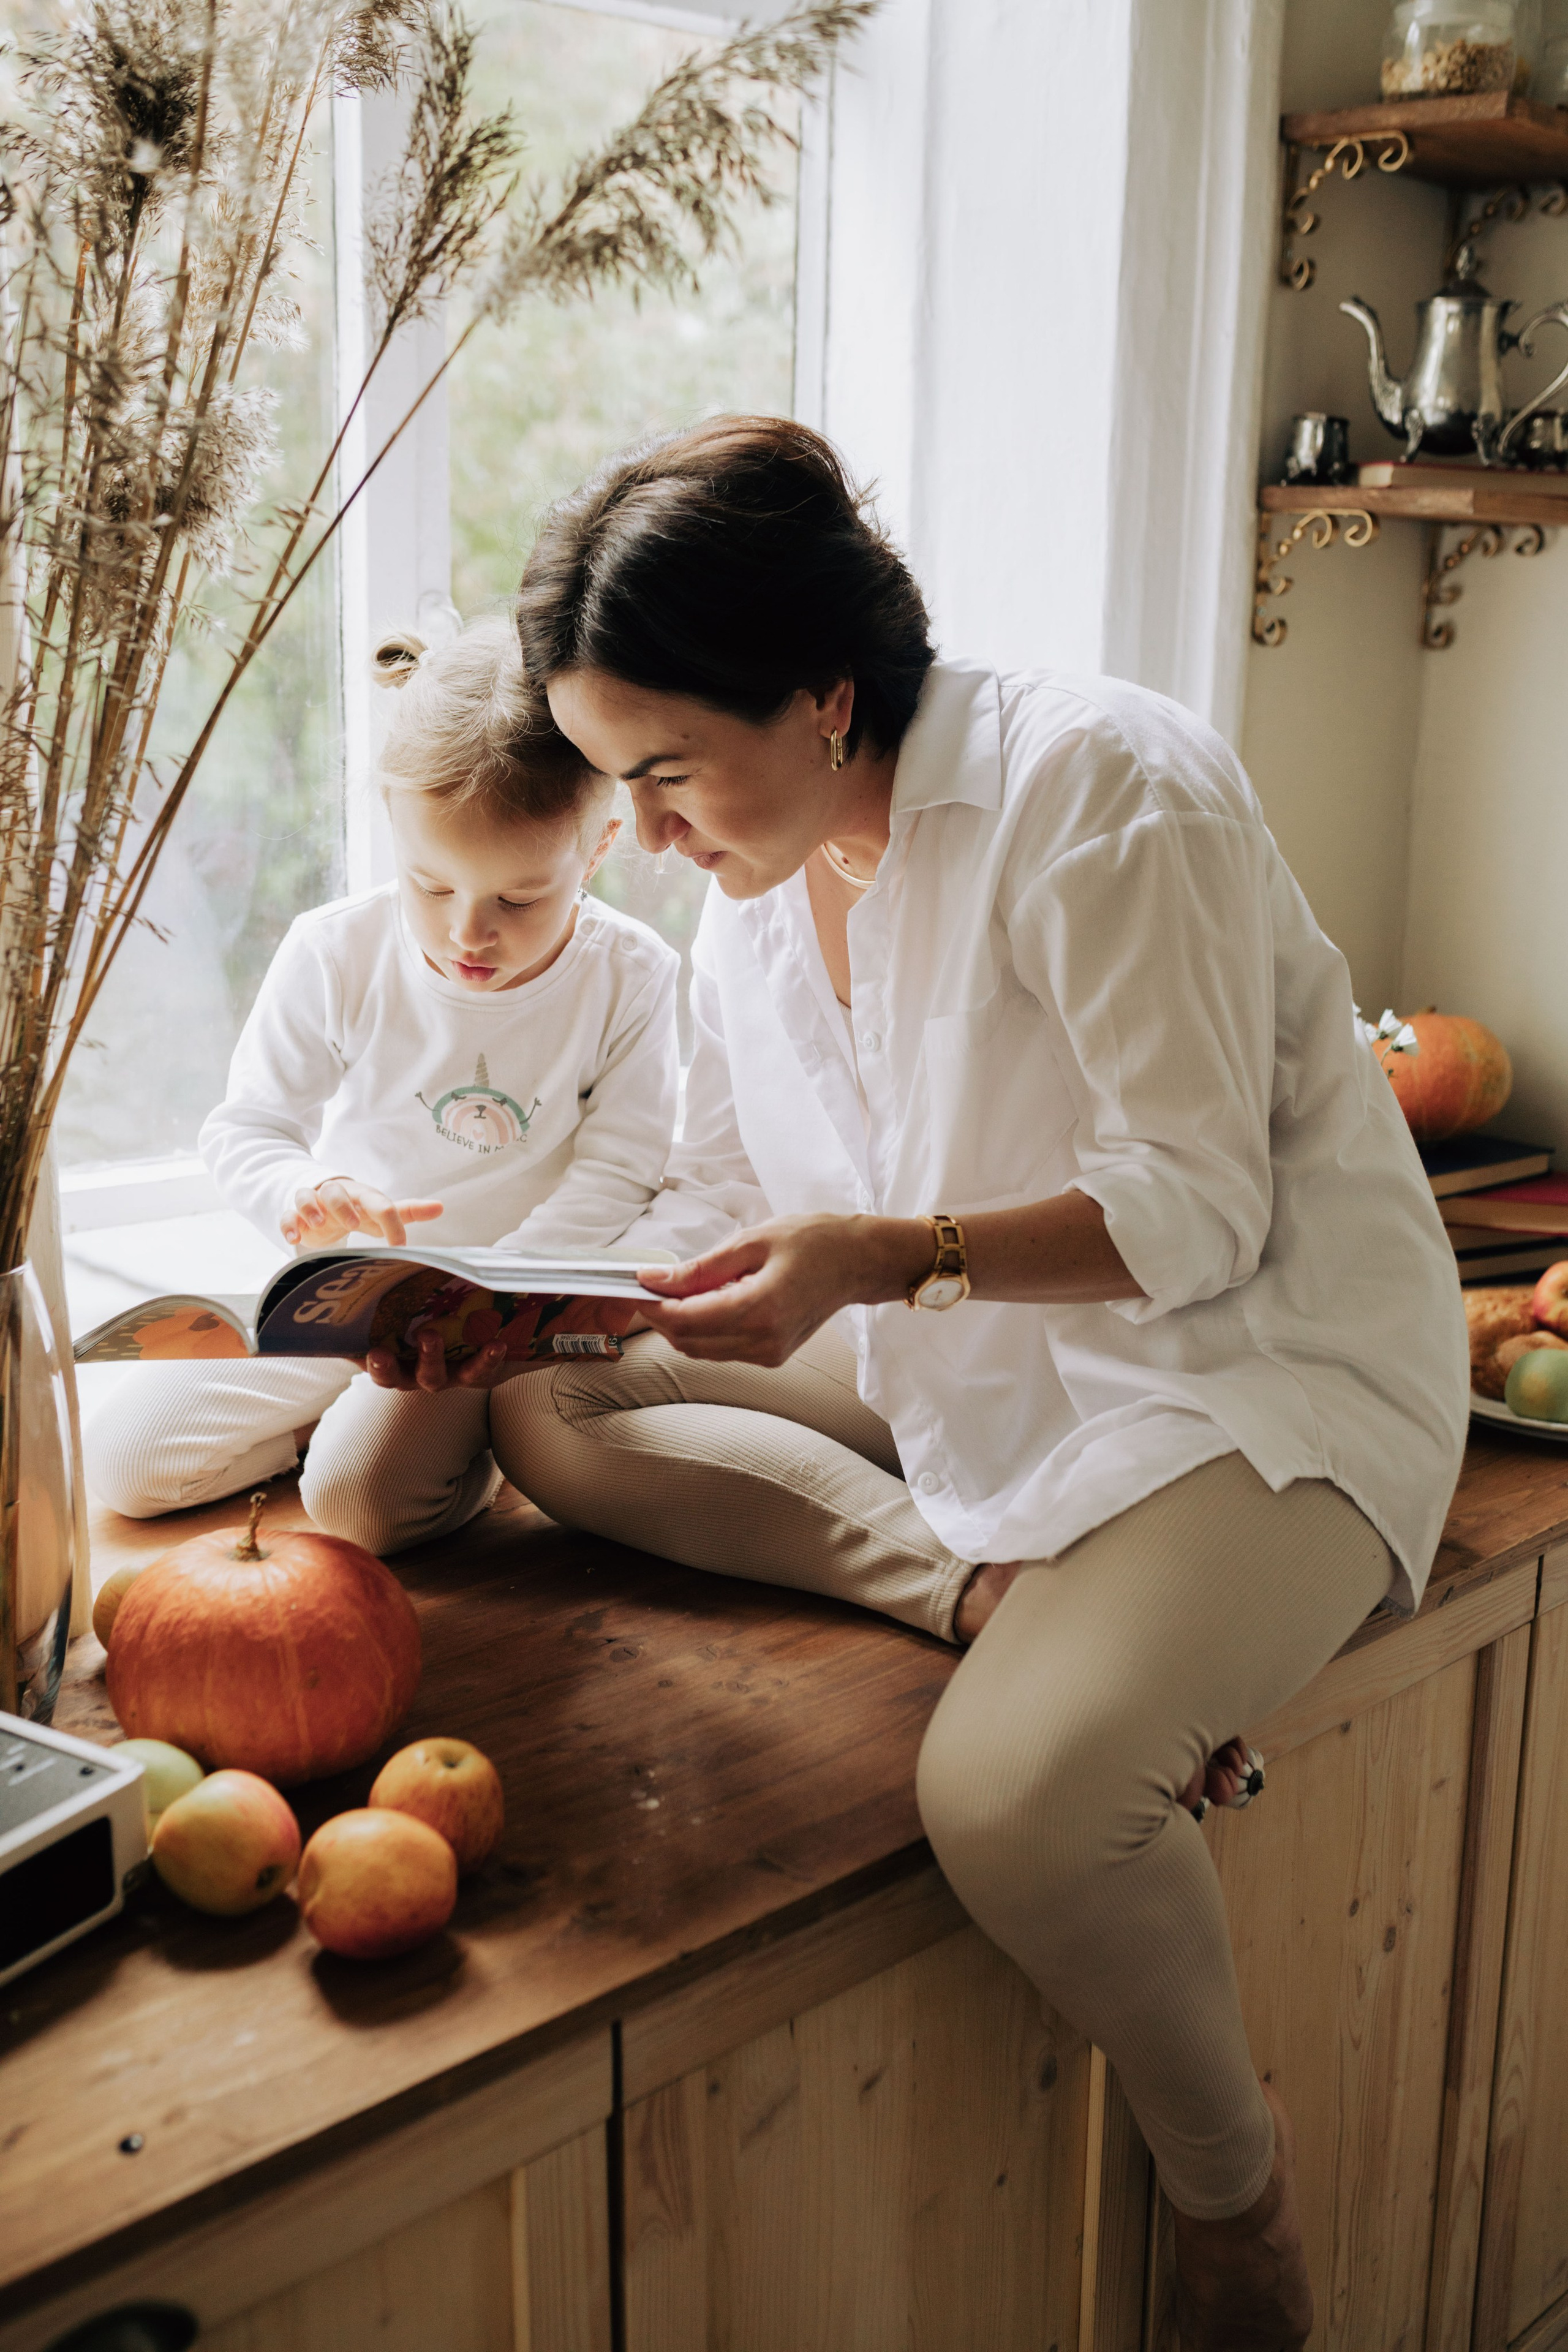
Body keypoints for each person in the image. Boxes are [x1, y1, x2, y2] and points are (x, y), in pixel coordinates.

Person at [84, 619, 679, 1544]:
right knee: (125, 1463)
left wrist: (489, 1296)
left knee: (361, 1508)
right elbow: (247, 1128)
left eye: (519, 898)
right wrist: (307, 1191)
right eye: (429, 884)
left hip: (486, 1327)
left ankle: (456, 1442)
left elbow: (621, 1172)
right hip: (346, 1302)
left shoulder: (630, 975)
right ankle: (329, 1426)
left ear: (598, 848)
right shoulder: (335, 951)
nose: (468, 933)